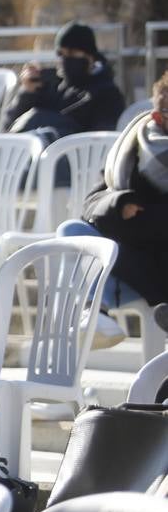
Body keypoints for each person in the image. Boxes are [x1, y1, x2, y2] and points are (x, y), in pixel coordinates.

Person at [83, 71, 168, 323]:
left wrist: (134, 220)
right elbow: (91, 204)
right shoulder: (132, 146)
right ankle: (96, 314)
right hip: (127, 256)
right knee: (73, 230)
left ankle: (95, 309)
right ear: (157, 116)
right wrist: (119, 204)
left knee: (104, 252)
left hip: (158, 266)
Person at [6, 21, 126, 136]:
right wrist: (27, 93)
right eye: (61, 54)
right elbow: (10, 127)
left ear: (90, 57)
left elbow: (100, 140)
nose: (65, 60)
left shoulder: (107, 93)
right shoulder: (52, 85)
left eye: (72, 53)